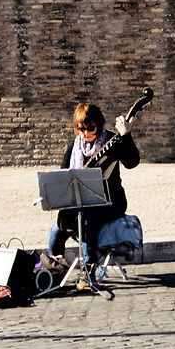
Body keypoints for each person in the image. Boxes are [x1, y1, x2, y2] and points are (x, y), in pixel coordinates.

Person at [48, 100, 139, 261]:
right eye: (81, 129)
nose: (86, 133)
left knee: (88, 223)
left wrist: (125, 134)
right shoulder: (75, 146)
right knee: (57, 228)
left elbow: (132, 162)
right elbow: (63, 176)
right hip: (80, 202)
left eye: (91, 128)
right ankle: (54, 268)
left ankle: (88, 271)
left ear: (99, 125)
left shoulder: (111, 141)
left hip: (110, 201)